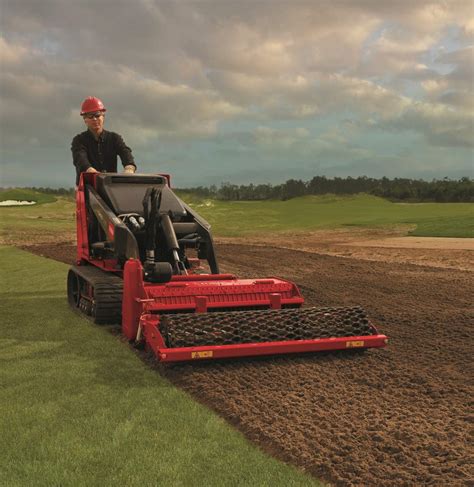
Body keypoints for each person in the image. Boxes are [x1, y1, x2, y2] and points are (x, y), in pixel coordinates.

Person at [71, 96, 137, 185]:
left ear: (103, 116)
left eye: (97, 115)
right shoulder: (79, 140)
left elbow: (124, 151)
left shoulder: (114, 138)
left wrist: (129, 167)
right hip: (87, 187)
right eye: (90, 116)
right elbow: (80, 159)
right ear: (85, 120)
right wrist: (90, 171)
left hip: (110, 187)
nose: (94, 119)